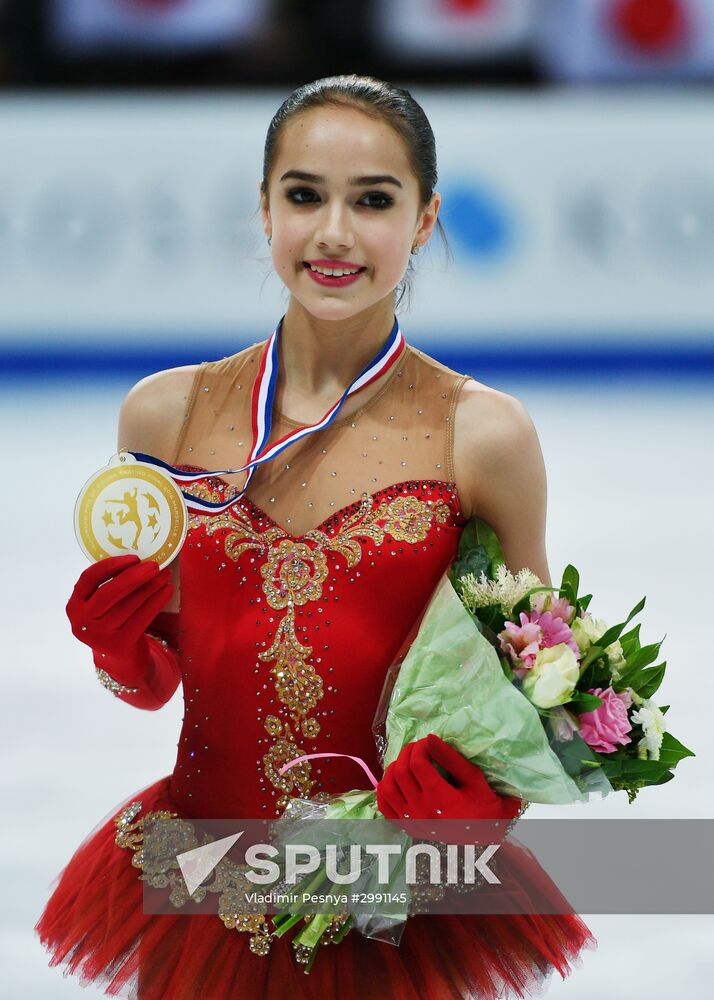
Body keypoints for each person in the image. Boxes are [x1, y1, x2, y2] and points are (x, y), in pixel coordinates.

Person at [35, 74, 596, 999]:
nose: (334, 232)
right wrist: (119, 646)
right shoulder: (165, 416)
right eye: (305, 195)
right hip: (206, 880)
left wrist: (481, 812)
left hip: (389, 904)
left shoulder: (484, 435)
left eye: (373, 199)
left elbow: (538, 697)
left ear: (424, 219)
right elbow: (156, 681)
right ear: (264, 209)